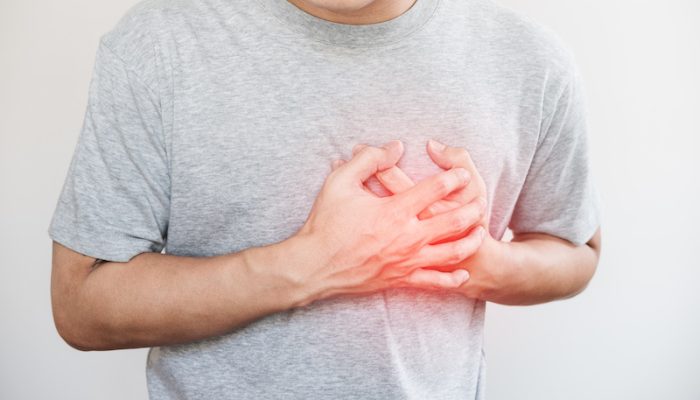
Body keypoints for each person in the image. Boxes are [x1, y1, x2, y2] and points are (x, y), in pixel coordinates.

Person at [47, 0, 603, 398]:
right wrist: (309, 267)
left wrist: (471, 261)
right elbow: (81, 308)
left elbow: (576, 254)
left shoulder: (532, 61)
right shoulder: (157, 45)